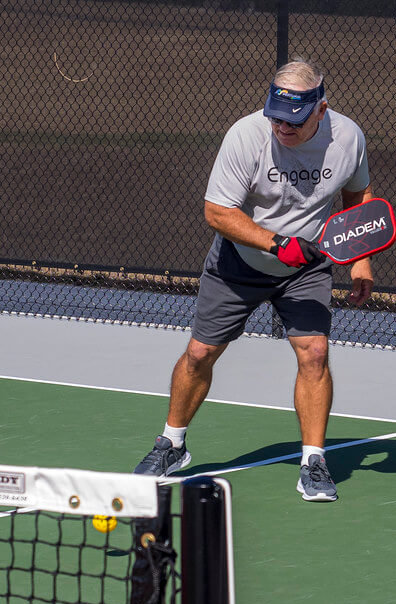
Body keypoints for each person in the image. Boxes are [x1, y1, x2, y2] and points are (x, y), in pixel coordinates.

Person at [134, 57, 376, 501]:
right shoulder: (245, 136)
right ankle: (171, 443)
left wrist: (360, 259)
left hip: (307, 268)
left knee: (315, 353)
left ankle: (313, 461)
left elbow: (358, 194)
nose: (283, 127)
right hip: (239, 264)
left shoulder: (348, 138)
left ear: (321, 110)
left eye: (295, 121)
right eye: (277, 117)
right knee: (199, 354)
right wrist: (275, 243)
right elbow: (217, 212)